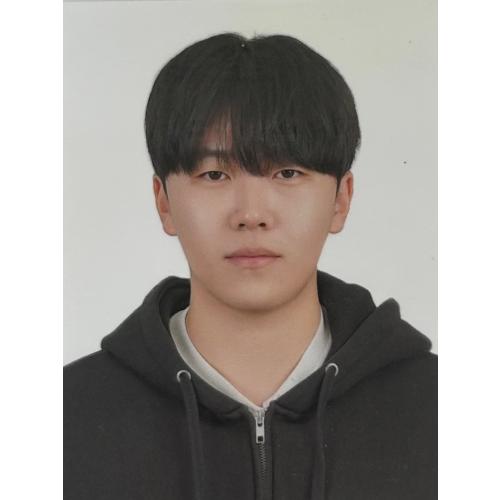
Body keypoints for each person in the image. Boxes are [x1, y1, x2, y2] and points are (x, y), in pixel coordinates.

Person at [64, 32, 437, 500]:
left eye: (287, 173)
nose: (251, 214)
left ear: (341, 200)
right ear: (164, 203)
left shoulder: (446, 409)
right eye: (214, 174)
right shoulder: (62, 417)